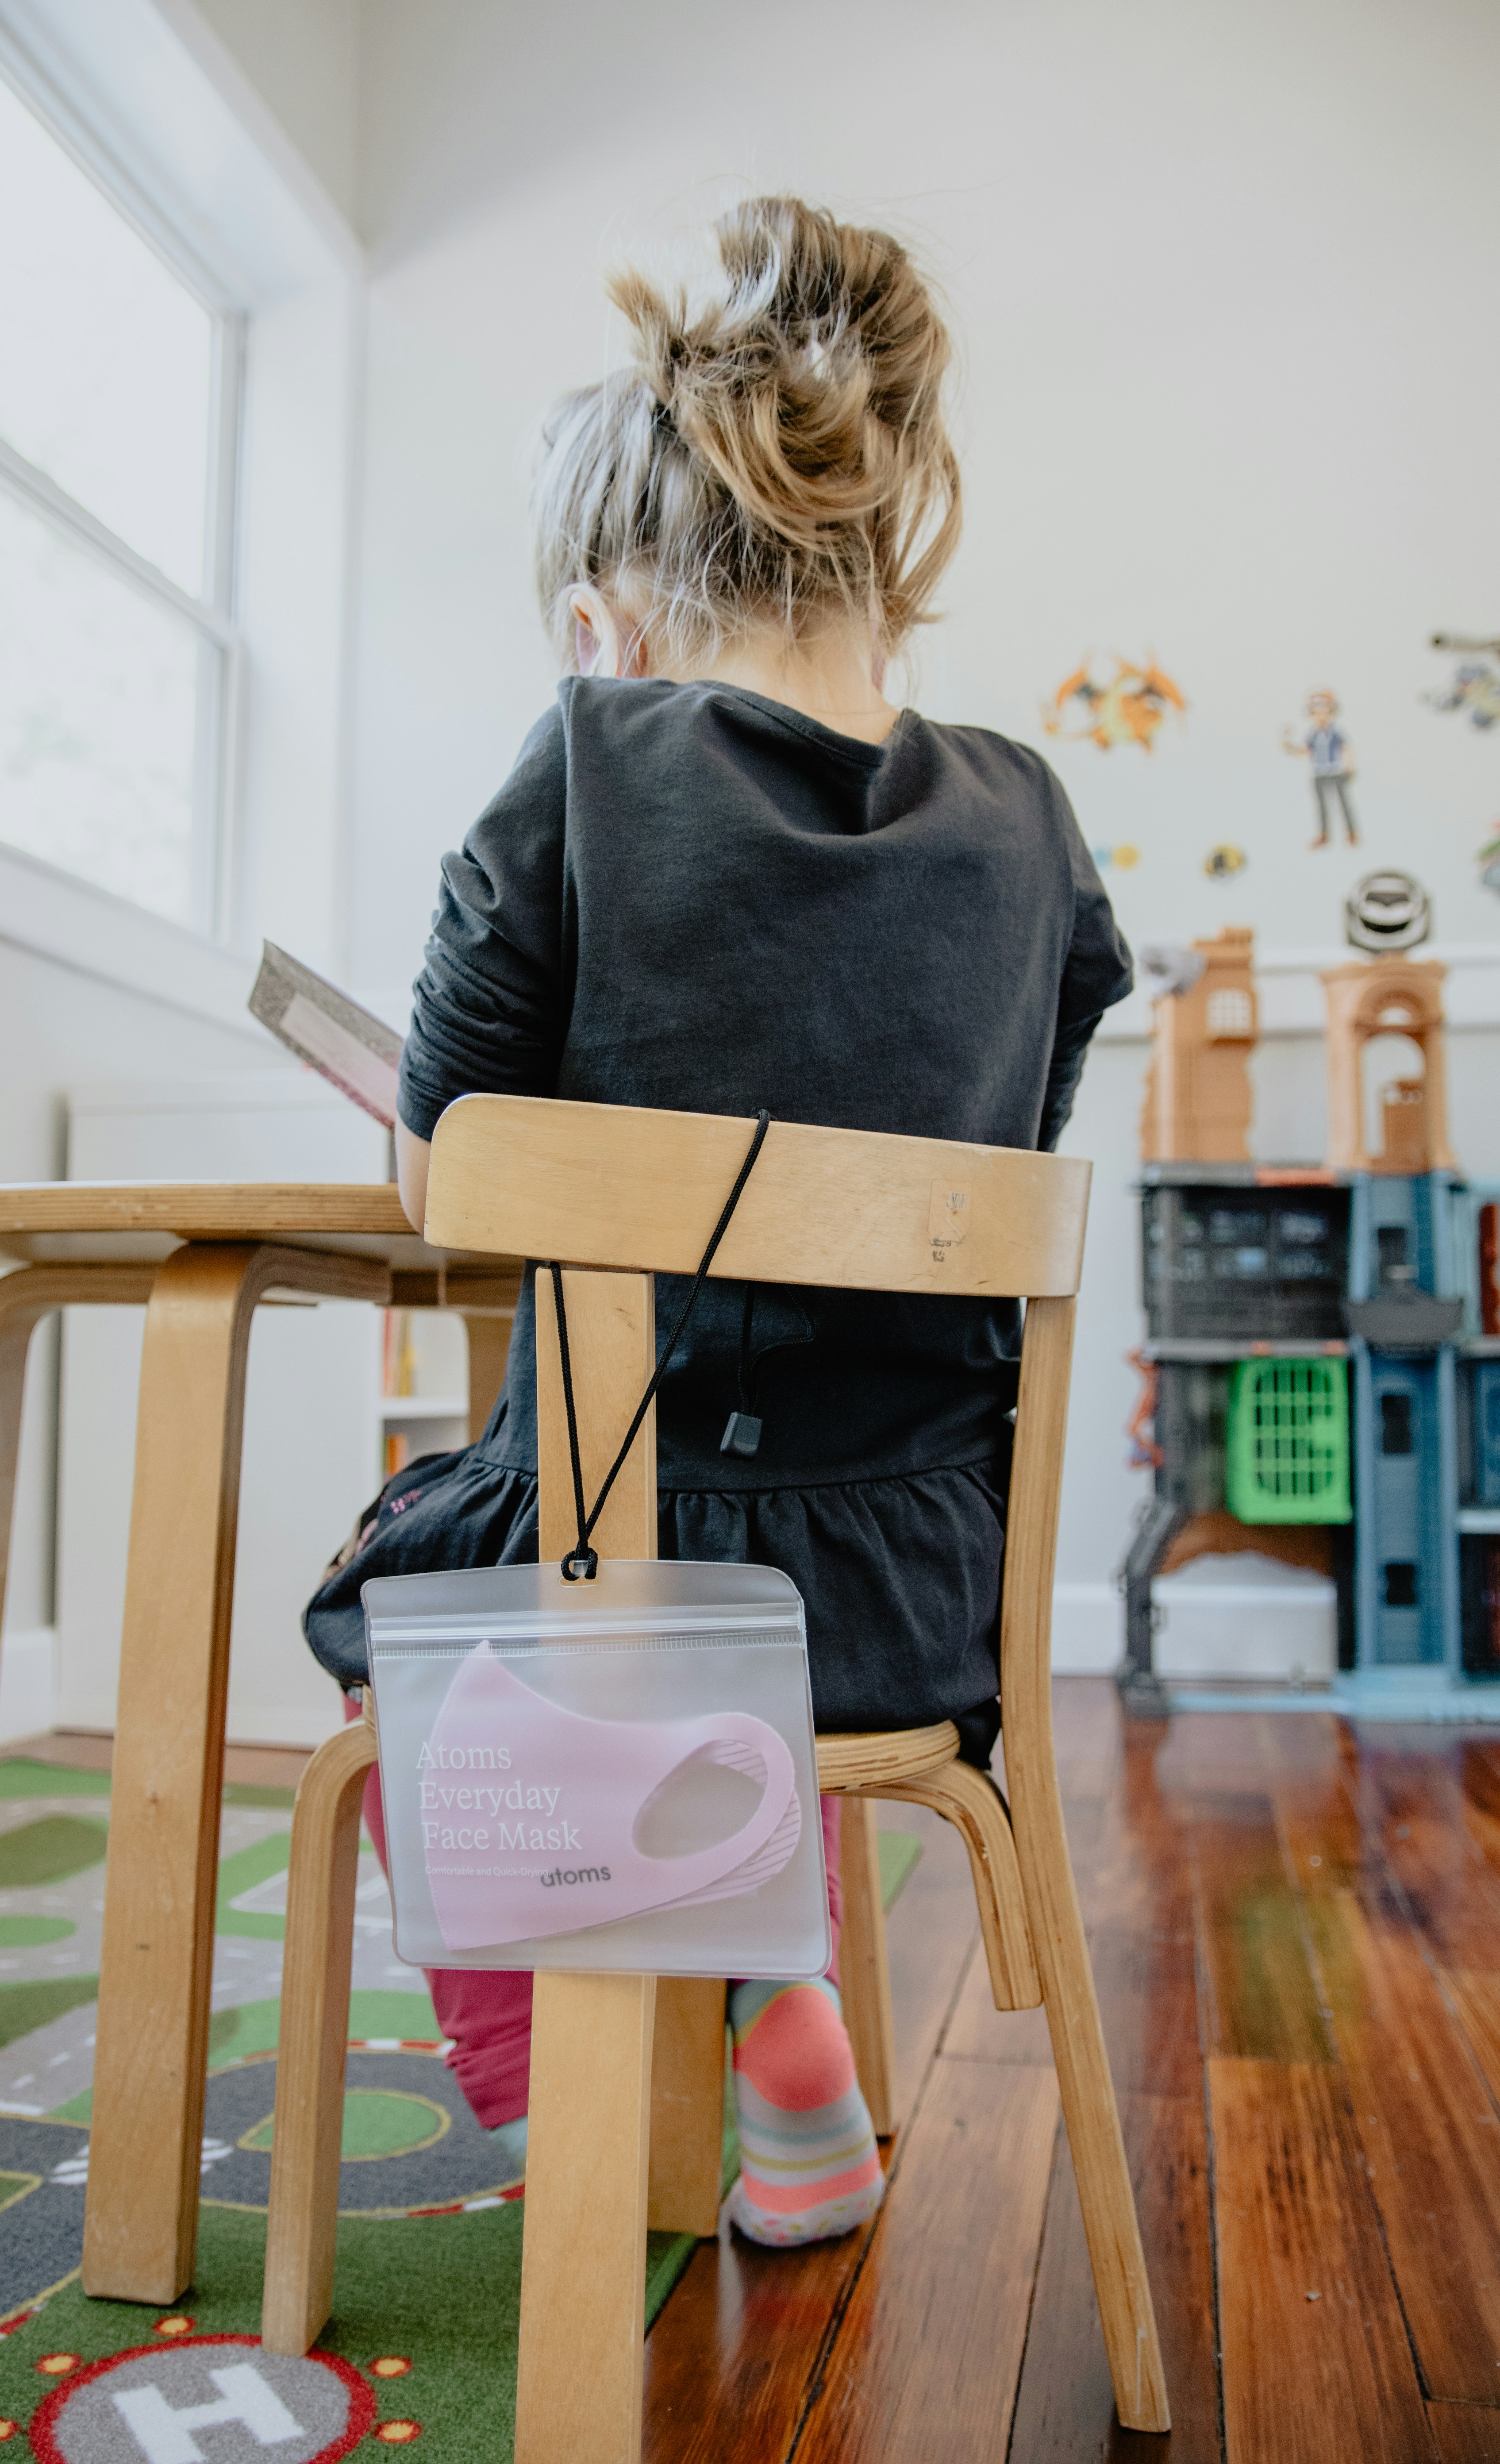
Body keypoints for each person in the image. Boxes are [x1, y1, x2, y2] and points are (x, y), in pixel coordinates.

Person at [305, 196, 1131, 2247]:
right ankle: (780, 2013)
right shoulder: (1037, 827)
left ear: (612, 604)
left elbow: (452, 1177)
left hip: (625, 1579)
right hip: (917, 1598)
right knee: (723, 1569)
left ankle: (580, 2109)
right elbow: (968, 1191)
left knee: (407, 1609)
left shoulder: (584, 759)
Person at [1283, 689, 1360, 847]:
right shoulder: (1313, 734)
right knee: (1322, 806)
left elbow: (1346, 749)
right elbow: (1306, 752)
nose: (1321, 717)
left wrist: (1350, 767)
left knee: (1343, 804)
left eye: (1325, 713)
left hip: (1336, 772)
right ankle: (1324, 835)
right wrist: (1291, 749)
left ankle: (1351, 833)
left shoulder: (1335, 733)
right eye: (1317, 713)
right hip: (1319, 774)